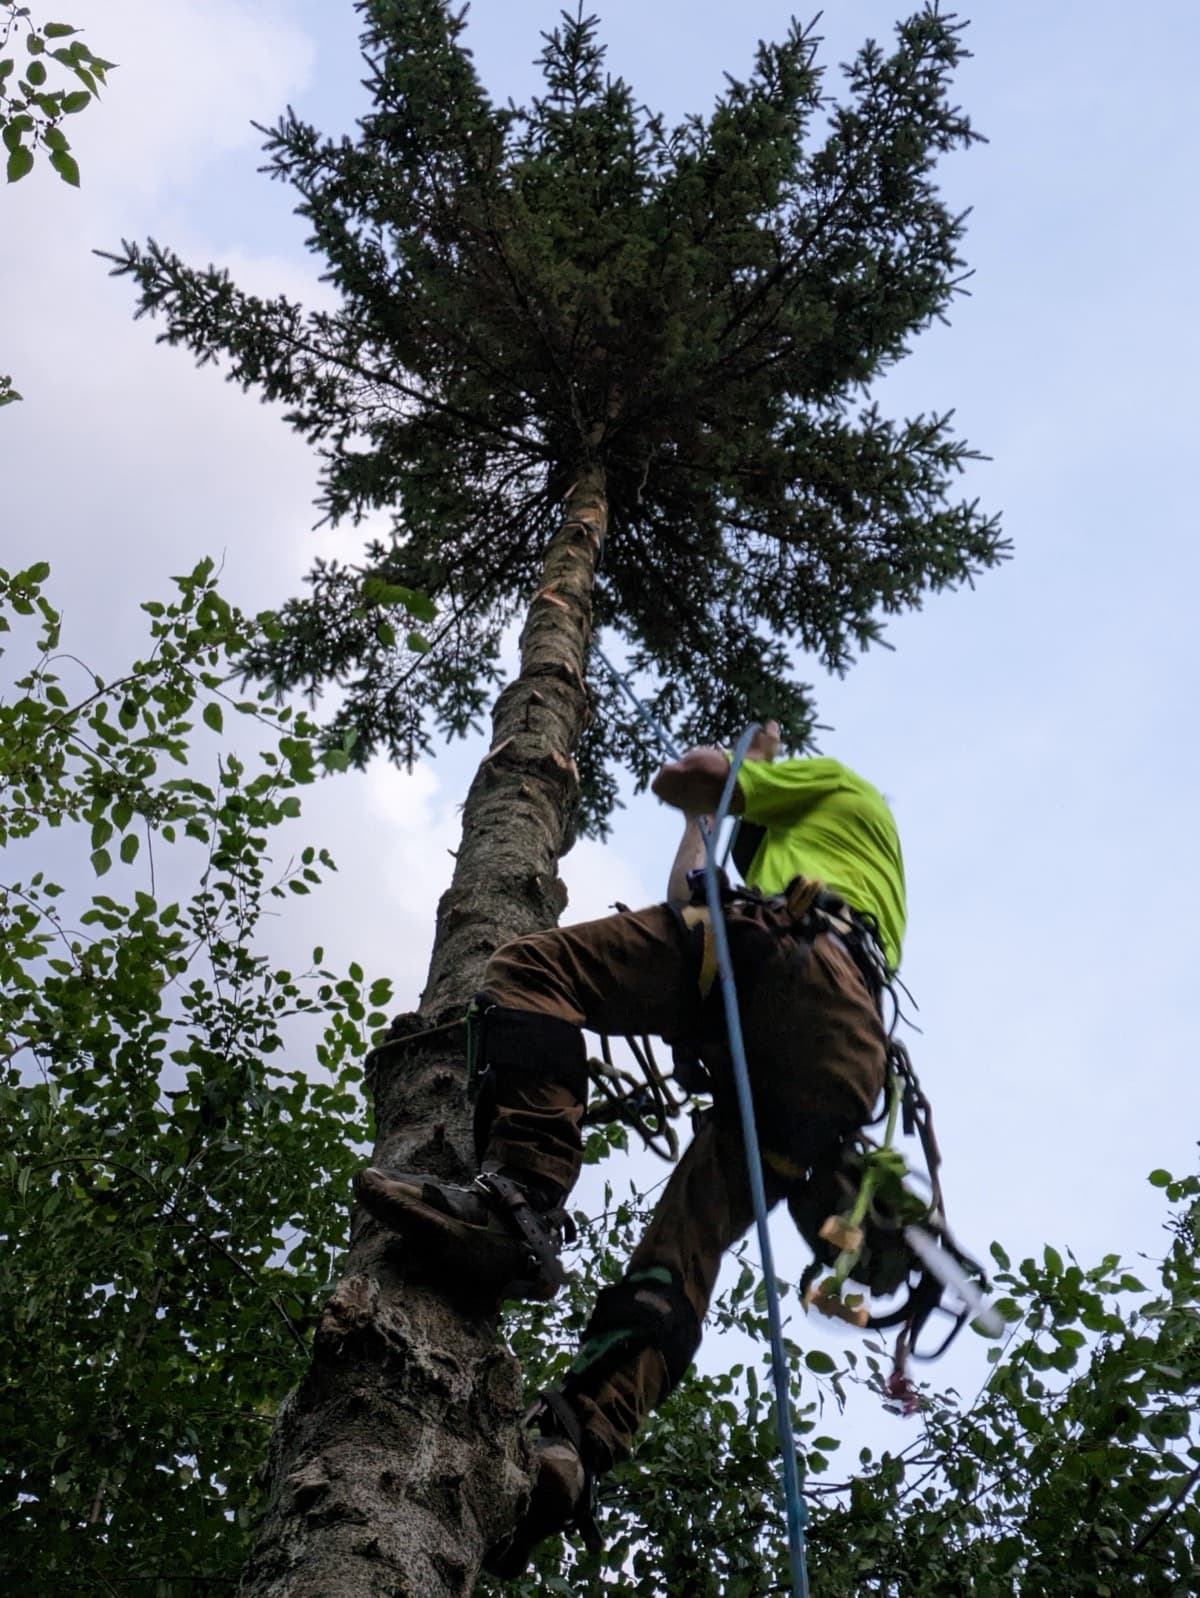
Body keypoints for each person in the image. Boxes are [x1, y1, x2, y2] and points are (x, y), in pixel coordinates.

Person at [355, 723, 906, 1574]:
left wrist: (746, 767)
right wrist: (717, 823)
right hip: (843, 1056)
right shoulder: (846, 865)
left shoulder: (833, 783)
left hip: (787, 962)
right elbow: (694, 890)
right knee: (682, 1246)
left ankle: (519, 1200)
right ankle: (575, 1444)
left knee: (530, 973)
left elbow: (687, 777)